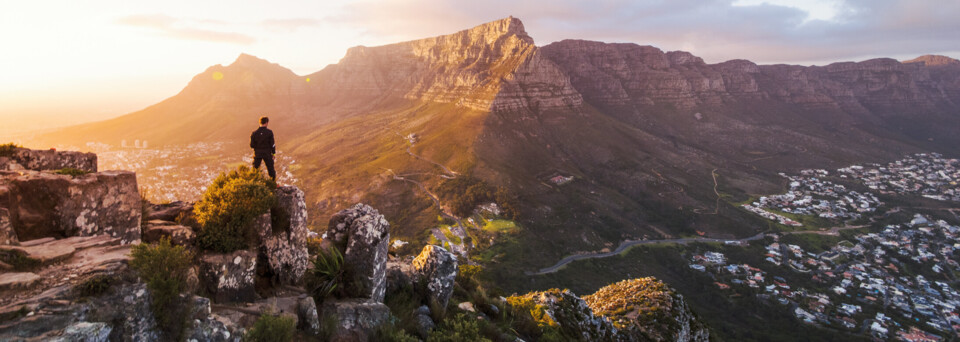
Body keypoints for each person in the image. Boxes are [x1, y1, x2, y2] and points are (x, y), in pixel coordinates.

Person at [250, 116, 276, 180]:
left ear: (260, 123)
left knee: (255, 169)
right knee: (270, 169)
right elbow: (272, 144)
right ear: (267, 123)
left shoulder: (254, 133)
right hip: (267, 153)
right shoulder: (269, 132)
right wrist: (273, 154)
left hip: (257, 153)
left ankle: (254, 183)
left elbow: (251, 145)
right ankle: (273, 183)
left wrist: (258, 147)